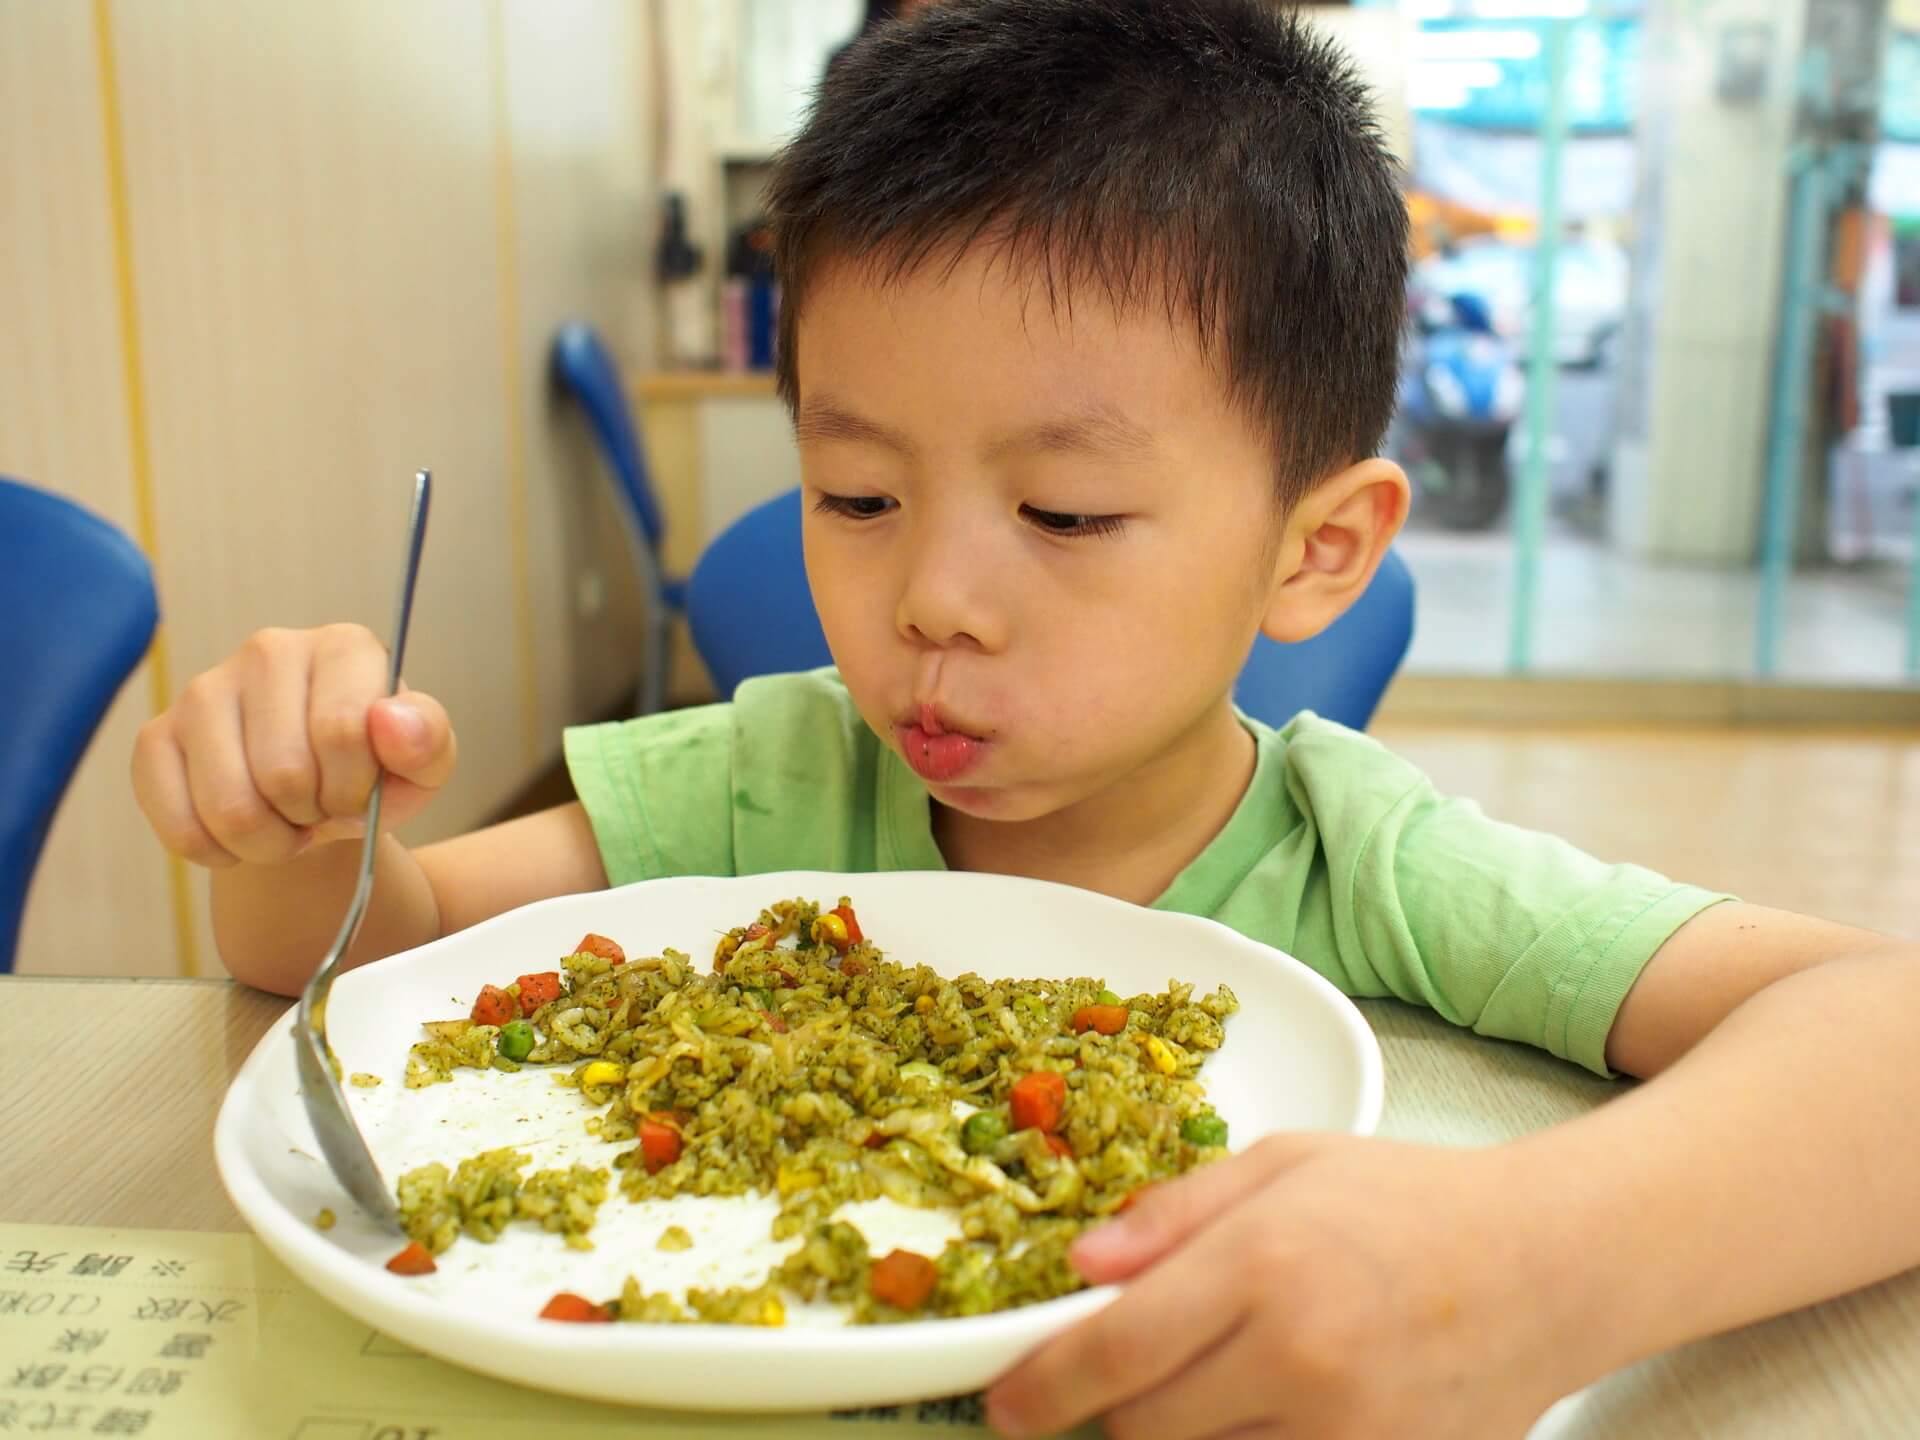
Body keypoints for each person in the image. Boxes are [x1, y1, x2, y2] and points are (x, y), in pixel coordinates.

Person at [132, 3, 1920, 1436]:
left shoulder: (1363, 865)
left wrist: (1541, 1267)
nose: (932, 601)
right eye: (853, 493)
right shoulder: (758, 784)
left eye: (1062, 517)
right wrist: (299, 836)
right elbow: (366, 961)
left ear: (1318, 551)